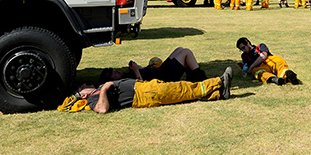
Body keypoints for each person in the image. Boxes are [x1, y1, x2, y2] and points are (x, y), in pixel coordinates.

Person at [76, 67, 233, 114]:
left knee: (179, 94)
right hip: (143, 94)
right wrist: (104, 88)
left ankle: (219, 93)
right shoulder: (92, 100)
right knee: (180, 89)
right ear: (82, 95)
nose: (85, 85)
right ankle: (219, 82)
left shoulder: (97, 89)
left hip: (144, 87)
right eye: (82, 87)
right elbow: (102, 109)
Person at [99, 47, 208, 84]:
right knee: (186, 52)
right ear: (111, 80)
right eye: (112, 73)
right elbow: (140, 87)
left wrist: (140, 68)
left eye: (113, 70)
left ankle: (192, 80)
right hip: (165, 77)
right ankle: (202, 80)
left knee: (179, 49)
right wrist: (136, 71)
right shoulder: (124, 82)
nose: (116, 71)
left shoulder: (125, 75)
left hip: (160, 71)